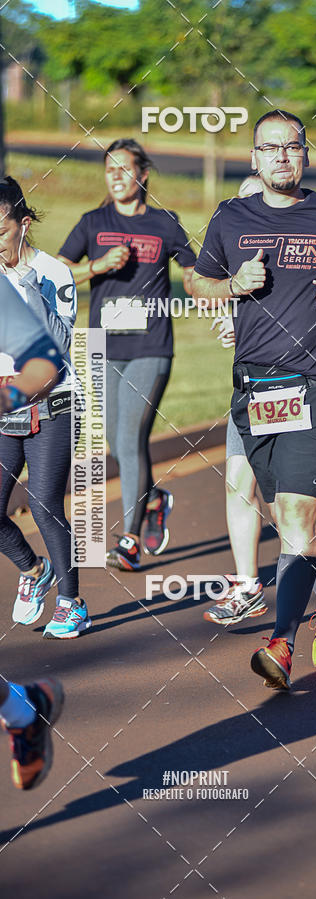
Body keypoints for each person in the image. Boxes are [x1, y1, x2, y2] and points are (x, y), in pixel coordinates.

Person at [193, 109, 316, 689]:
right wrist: (231, 286)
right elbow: (198, 280)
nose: (282, 156)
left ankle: (280, 643)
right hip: (255, 385)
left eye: (293, 146)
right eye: (270, 148)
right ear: (254, 158)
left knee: (301, 515)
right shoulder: (232, 216)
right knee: (285, 514)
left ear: (306, 154)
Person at [58, 139, 197, 570]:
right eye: (109, 169)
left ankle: (130, 540)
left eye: (124, 168)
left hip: (151, 345)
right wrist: (97, 266)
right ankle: (153, 498)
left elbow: (194, 275)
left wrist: (215, 291)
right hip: (102, 345)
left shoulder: (164, 223)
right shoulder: (92, 222)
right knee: (116, 444)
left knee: (131, 437)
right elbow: (57, 273)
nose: (116, 176)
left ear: (143, 175)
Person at [206, 312, 316, 628]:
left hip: (309, 383)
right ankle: (248, 587)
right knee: (237, 482)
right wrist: (237, 322)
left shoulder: (309, 264)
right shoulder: (250, 263)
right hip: (256, 384)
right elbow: (205, 281)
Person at [0, 176, 90, 638]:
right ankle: (33, 570)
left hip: (53, 402)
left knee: (43, 504)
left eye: (0, 229)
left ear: (23, 223)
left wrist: (23, 283)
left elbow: (55, 346)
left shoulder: (54, 273)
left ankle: (73, 602)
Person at [0, 272, 65, 790]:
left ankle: (25, 708)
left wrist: (6, 396)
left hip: (41, 415)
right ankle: (26, 709)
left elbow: (46, 361)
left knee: (46, 502)